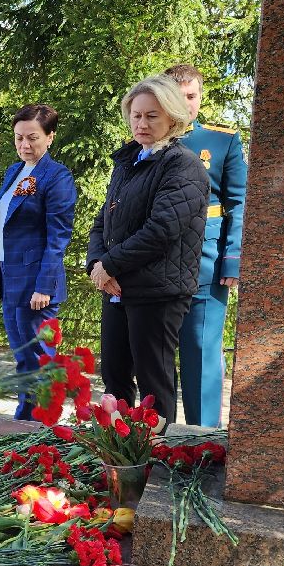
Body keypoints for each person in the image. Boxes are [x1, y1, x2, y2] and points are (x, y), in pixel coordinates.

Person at [86, 75, 209, 424]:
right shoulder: (129, 161)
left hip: (158, 291)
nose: (141, 123)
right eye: (136, 115)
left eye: (151, 116)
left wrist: (110, 264)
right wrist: (97, 264)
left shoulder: (183, 165)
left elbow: (162, 229)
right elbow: (104, 221)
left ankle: (158, 452)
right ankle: (119, 450)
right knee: (114, 377)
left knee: (154, 383)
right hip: (117, 287)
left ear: (172, 116)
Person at [0, 104, 78, 417]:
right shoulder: (15, 172)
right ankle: (27, 422)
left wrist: (45, 286)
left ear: (50, 137)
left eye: (32, 138)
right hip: (10, 279)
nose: (24, 145)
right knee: (24, 358)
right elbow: (3, 227)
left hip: (37, 285)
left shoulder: (57, 176)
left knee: (39, 358)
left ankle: (38, 424)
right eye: (19, 137)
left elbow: (58, 237)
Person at [165, 64, 247, 427]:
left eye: (192, 96)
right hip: (155, 263)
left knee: (201, 351)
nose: (186, 104)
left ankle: (202, 440)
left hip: (206, 261)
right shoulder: (146, 142)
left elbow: (239, 202)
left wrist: (233, 258)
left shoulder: (221, 141)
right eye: (178, 96)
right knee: (155, 357)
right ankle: (157, 439)